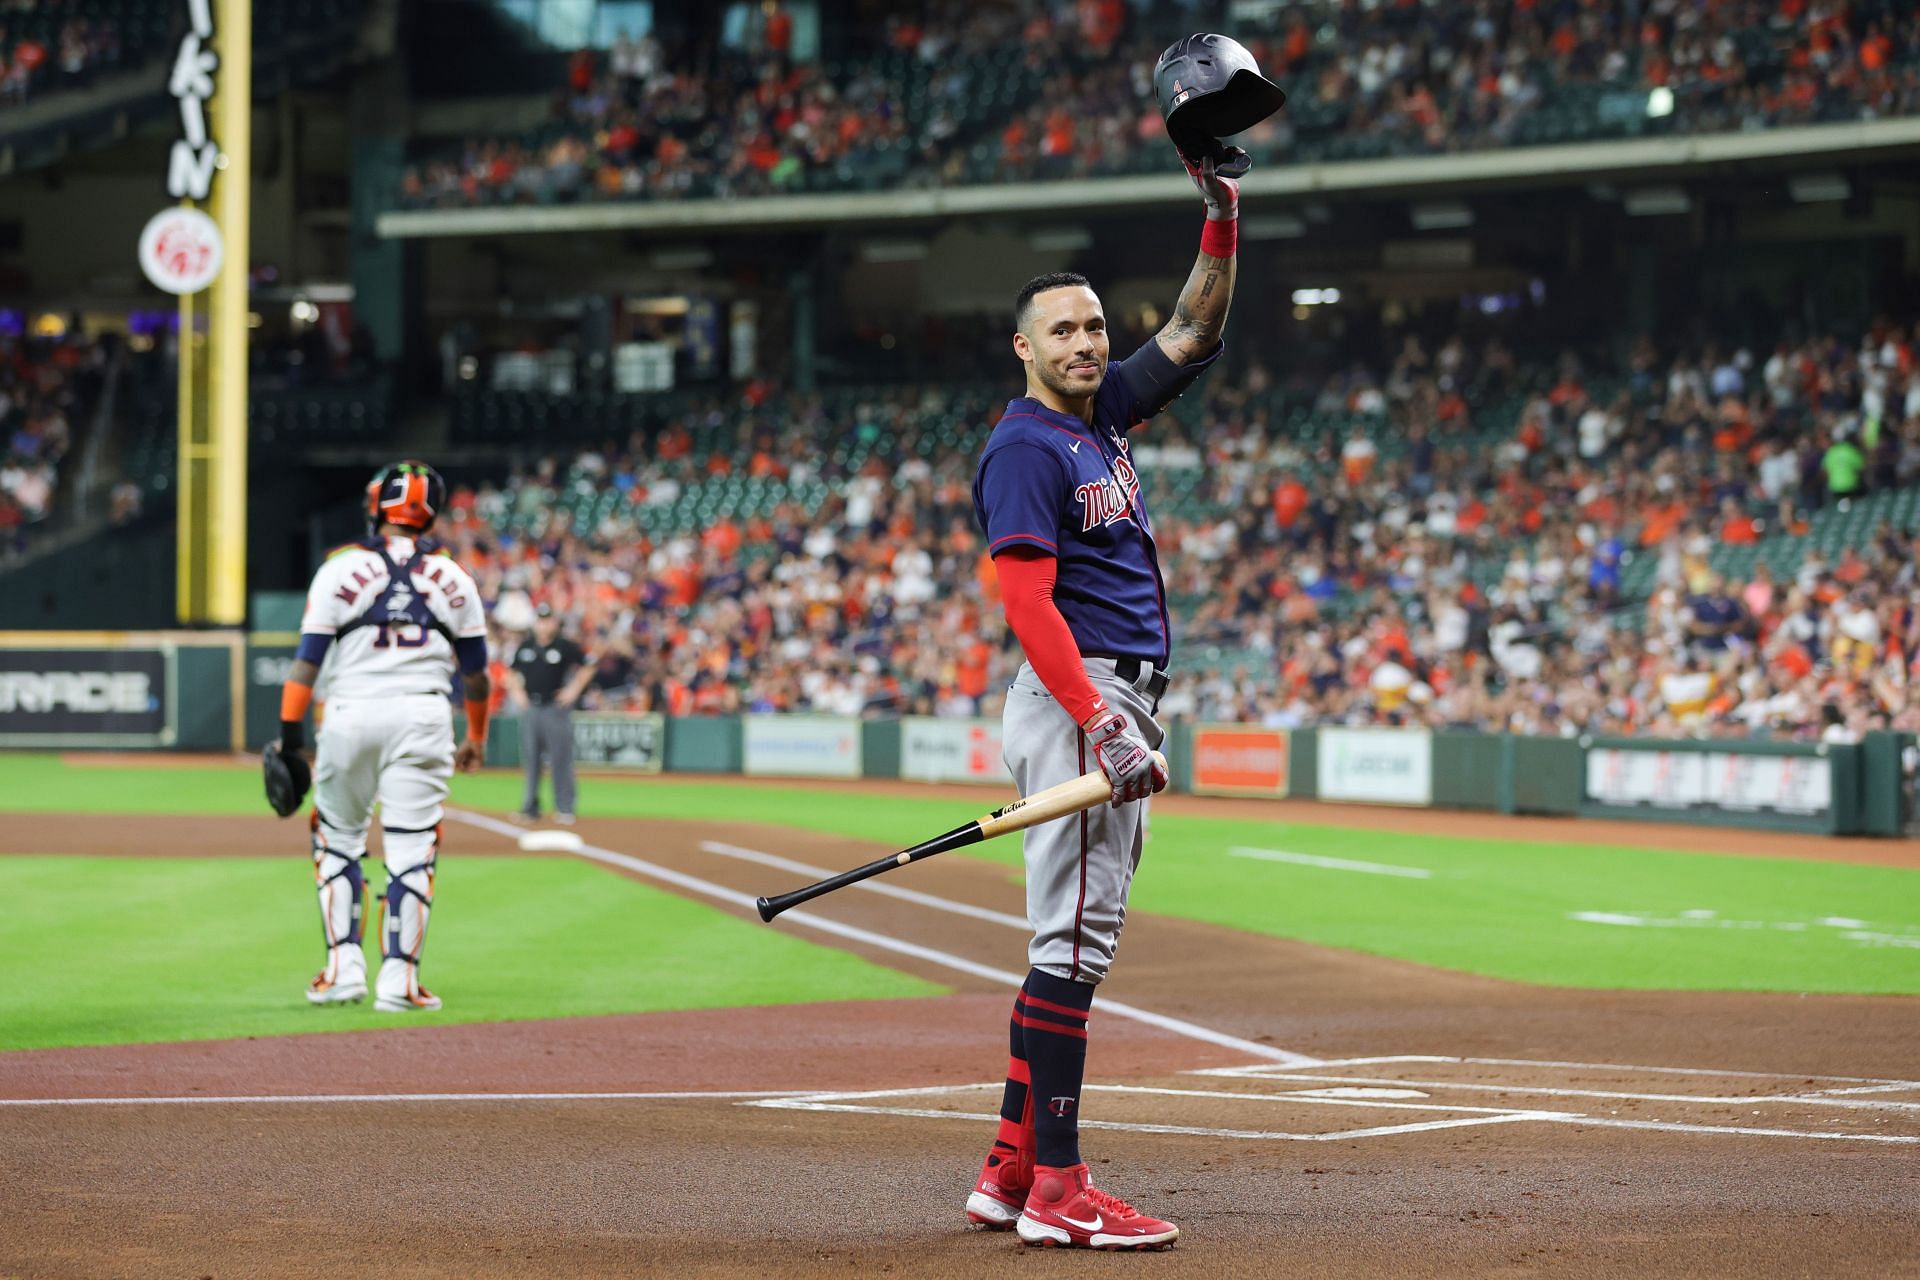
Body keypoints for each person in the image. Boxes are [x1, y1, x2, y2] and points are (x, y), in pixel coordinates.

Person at [963, 143, 1240, 1249]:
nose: (1087, 342)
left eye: (1093, 326)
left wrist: (1222, 213)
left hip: (1105, 699)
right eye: (1062, 331)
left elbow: (1198, 326)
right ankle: (1060, 1191)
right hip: (1084, 696)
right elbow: (1028, 600)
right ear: (1024, 349)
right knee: (1073, 947)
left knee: (1063, 945)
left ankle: (1008, 1166)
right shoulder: (1027, 446)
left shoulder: (1104, 418)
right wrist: (1101, 721)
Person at [276, 461, 490, 1011]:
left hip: (350, 712)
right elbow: (477, 676)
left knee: (338, 839)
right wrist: (477, 737)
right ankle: (399, 980)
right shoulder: (456, 578)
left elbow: (305, 666)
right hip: (423, 718)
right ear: (431, 512)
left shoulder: (338, 570)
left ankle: (342, 968)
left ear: (376, 507)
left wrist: (287, 736)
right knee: (412, 847)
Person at [509, 604, 595, 824]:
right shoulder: (526, 646)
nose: (544, 624)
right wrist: (517, 692)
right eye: (540, 620)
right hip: (532, 708)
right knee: (531, 759)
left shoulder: (564, 646)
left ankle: (565, 808)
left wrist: (573, 689)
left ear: (554, 623)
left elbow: (589, 665)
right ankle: (530, 808)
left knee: (560, 758)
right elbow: (511, 672)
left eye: (548, 620)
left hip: (555, 708)